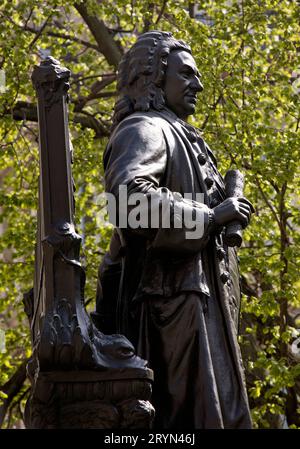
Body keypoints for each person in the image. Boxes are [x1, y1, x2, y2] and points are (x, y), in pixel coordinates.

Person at [94, 31, 254, 429]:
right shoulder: (144, 128)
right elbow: (129, 202)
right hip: (171, 316)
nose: (198, 83)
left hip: (200, 309)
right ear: (154, 79)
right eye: (185, 74)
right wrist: (212, 216)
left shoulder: (178, 132)